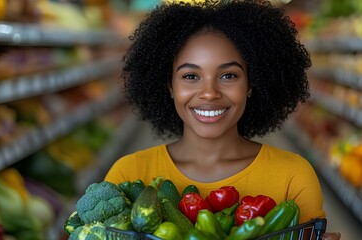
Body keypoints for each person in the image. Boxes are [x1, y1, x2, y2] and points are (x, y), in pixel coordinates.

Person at [104, 0, 340, 239]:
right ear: (169, 86)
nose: (209, 92)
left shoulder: (293, 175)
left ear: (250, 84)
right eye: (190, 75)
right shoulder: (127, 174)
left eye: (228, 75)